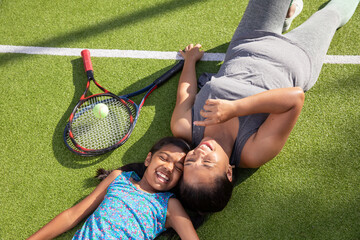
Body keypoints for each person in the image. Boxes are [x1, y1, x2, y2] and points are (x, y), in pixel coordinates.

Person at [171, 0, 359, 214]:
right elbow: (294, 99)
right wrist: (235, 109)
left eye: (190, 162)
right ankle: (286, 18)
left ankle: (284, 17)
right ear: (228, 173)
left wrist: (189, 62)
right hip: (298, 59)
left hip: (249, 40)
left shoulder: (184, 127)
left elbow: (186, 94)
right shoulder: (252, 153)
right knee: (331, 14)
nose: (199, 154)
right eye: (206, 164)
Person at [27, 137, 199, 240]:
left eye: (178, 168)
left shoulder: (168, 205)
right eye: (164, 158)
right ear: (148, 159)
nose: (169, 168)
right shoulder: (119, 178)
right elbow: (73, 215)